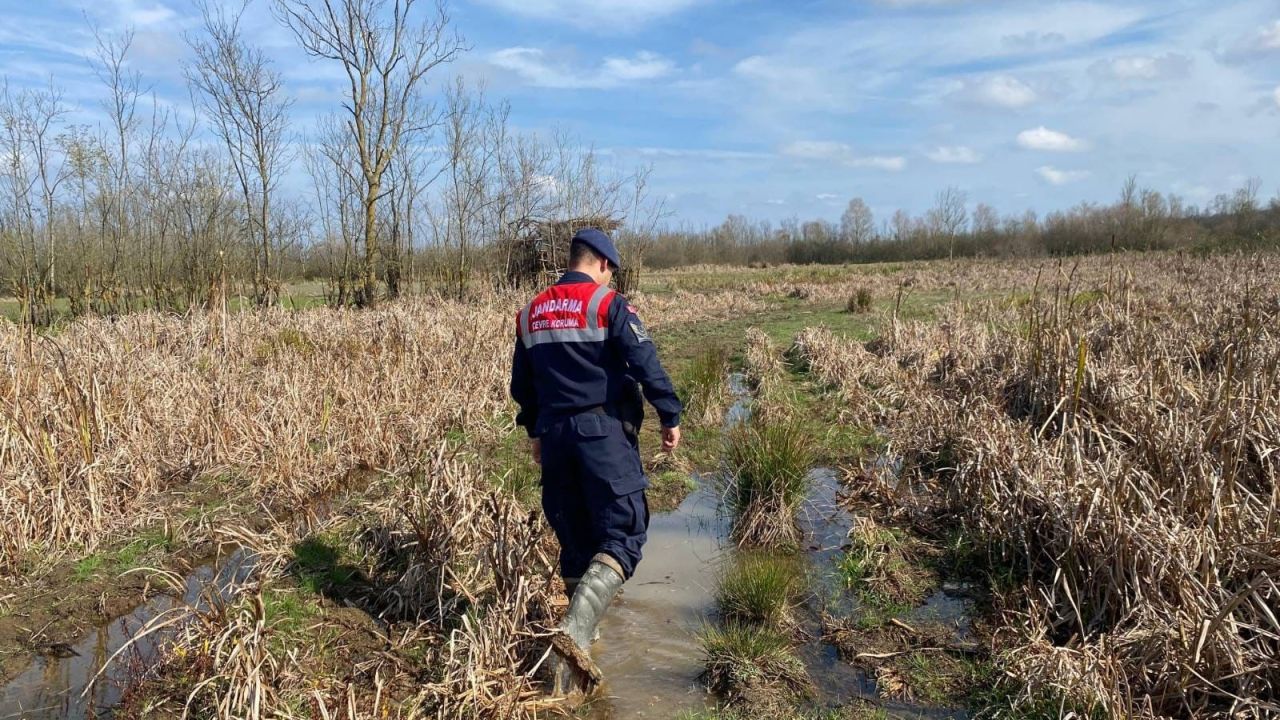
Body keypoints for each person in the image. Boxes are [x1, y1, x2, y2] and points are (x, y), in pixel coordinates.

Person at [509, 227, 682, 692]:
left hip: (556, 440)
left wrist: (535, 431)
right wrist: (670, 414)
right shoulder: (609, 305)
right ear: (603, 264)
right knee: (625, 533)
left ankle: (580, 657)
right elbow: (645, 362)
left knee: (576, 539)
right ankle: (575, 634)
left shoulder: (529, 314)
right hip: (601, 435)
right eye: (612, 271)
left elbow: (522, 388)